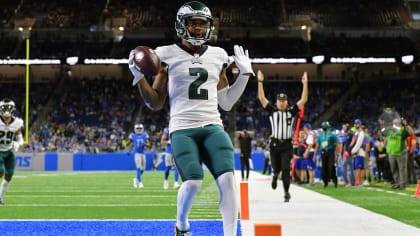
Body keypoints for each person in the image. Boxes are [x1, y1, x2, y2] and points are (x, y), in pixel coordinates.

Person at [128, 2, 254, 235]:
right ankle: (182, 226)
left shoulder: (218, 55)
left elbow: (225, 102)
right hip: (183, 128)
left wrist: (245, 76)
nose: (197, 29)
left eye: (202, 24)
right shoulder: (165, 54)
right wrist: (139, 78)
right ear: (181, 25)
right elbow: (155, 103)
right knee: (193, 181)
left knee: (228, 181)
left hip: (213, 126)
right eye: (192, 23)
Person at [257, 69, 308, 202]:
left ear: (286, 102)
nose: (281, 102)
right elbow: (262, 98)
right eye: (279, 100)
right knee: (276, 167)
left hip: (286, 144)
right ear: (276, 102)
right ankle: (274, 175)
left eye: (283, 100)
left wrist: (305, 84)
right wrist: (260, 81)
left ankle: (286, 192)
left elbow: (304, 99)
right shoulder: (272, 111)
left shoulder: (291, 112)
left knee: (285, 169)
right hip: (274, 144)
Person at [0, 99, 24, 205]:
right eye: (4, 108)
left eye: (8, 108)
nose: (6, 110)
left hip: (9, 151)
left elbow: (20, 138)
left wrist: (18, 144)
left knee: (9, 175)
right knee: (0, 171)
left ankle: (0, 197)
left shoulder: (17, 123)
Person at [384, 118, 414, 190]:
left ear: (399, 124)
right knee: (393, 169)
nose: (395, 124)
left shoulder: (402, 130)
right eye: (394, 123)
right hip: (392, 152)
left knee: (402, 168)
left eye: (397, 123)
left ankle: (402, 184)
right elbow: (384, 135)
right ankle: (397, 183)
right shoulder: (390, 131)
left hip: (401, 151)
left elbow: (411, 133)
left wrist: (406, 125)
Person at [313, 121, 341, 188]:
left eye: (325, 126)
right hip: (323, 152)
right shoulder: (320, 136)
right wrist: (315, 154)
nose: (324, 127)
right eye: (323, 126)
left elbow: (337, 144)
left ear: (328, 127)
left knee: (331, 166)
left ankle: (335, 181)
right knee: (324, 167)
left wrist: (337, 154)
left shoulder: (332, 134)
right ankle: (325, 183)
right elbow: (317, 145)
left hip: (330, 151)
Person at [128, 123, 151, 189]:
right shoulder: (132, 135)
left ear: (142, 129)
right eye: (137, 128)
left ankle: (136, 179)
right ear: (135, 129)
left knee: (143, 169)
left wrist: (144, 143)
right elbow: (128, 143)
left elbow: (149, 145)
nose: (139, 130)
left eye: (140, 128)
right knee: (139, 168)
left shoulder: (145, 135)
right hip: (137, 153)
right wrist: (127, 148)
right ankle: (140, 183)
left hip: (143, 153)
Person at [348, 119, 365, 187]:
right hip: (355, 152)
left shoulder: (361, 133)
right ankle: (357, 182)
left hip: (360, 152)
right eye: (355, 124)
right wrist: (350, 149)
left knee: (360, 168)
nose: (355, 125)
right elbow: (352, 142)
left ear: (360, 125)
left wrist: (353, 151)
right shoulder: (356, 133)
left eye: (357, 124)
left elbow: (359, 143)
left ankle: (360, 183)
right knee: (356, 168)